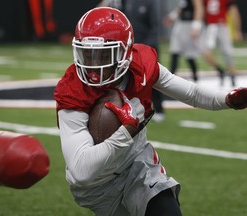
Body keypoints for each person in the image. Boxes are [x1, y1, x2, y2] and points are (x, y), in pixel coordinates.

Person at [54, 7, 247, 216]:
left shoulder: (141, 65)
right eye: (88, 54)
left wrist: (226, 99)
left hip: (136, 163)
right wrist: (125, 132)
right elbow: (82, 171)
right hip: (98, 184)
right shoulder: (72, 90)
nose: (93, 66)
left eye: (103, 55)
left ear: (125, 52)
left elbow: (191, 92)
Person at [124, 0, 166, 122]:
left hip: (147, 48)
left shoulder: (151, 2)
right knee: (132, 79)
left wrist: (148, 48)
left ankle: (159, 109)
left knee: (152, 78)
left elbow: (155, 25)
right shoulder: (129, 2)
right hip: (133, 47)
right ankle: (134, 110)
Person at [202, 0, 243, 86]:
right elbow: (202, 10)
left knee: (227, 53)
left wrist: (237, 30)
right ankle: (221, 71)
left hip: (222, 25)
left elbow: (234, 11)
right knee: (206, 53)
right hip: (210, 27)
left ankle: (233, 78)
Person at [164, 0, 204, 82]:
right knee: (174, 51)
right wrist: (172, 17)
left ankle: (195, 78)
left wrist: (196, 26)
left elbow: (199, 8)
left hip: (189, 25)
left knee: (189, 54)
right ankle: (171, 77)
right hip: (180, 24)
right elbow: (180, 7)